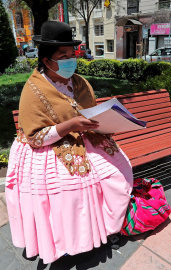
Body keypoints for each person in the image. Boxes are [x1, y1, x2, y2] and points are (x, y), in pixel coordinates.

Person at [5, 21, 133, 264]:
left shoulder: (80, 82)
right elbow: (34, 137)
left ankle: (105, 228)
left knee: (119, 173)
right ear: (46, 60)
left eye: (71, 54)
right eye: (62, 56)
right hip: (47, 147)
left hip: (84, 138)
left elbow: (92, 112)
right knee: (71, 190)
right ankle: (67, 243)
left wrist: (109, 122)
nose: (69, 60)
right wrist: (68, 126)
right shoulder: (32, 90)